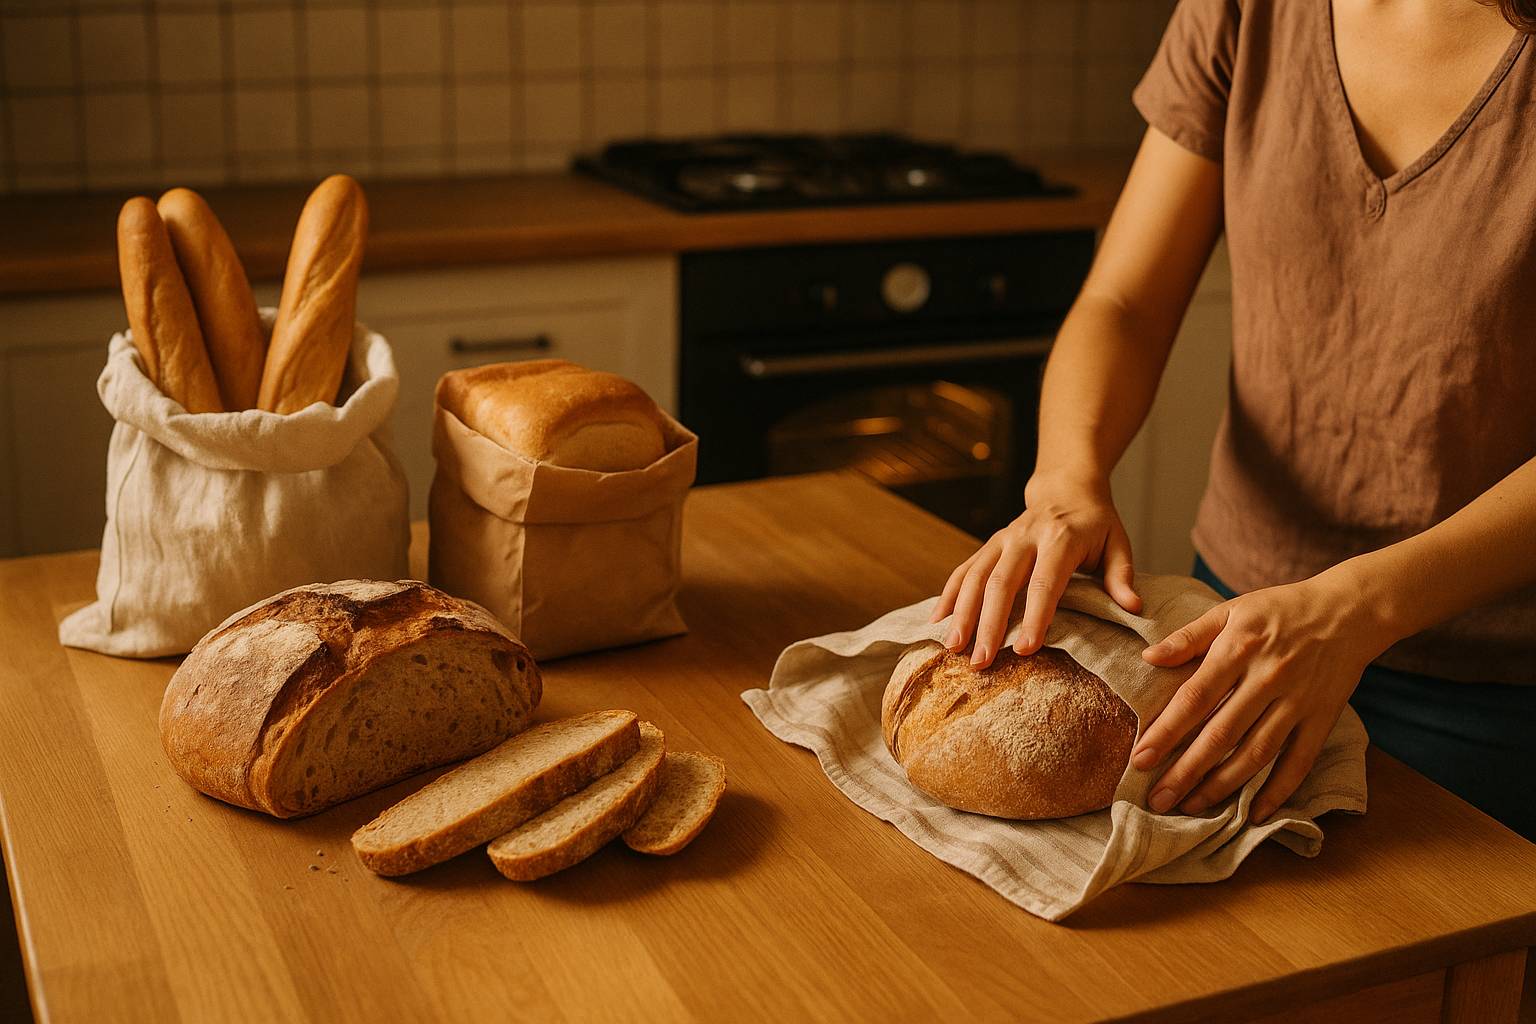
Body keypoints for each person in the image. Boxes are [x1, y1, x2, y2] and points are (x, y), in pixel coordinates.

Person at [930, 0, 1536, 840]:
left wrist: (1355, 609)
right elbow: (1126, 300)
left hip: (1494, 701)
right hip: (1230, 637)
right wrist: (1065, 478)